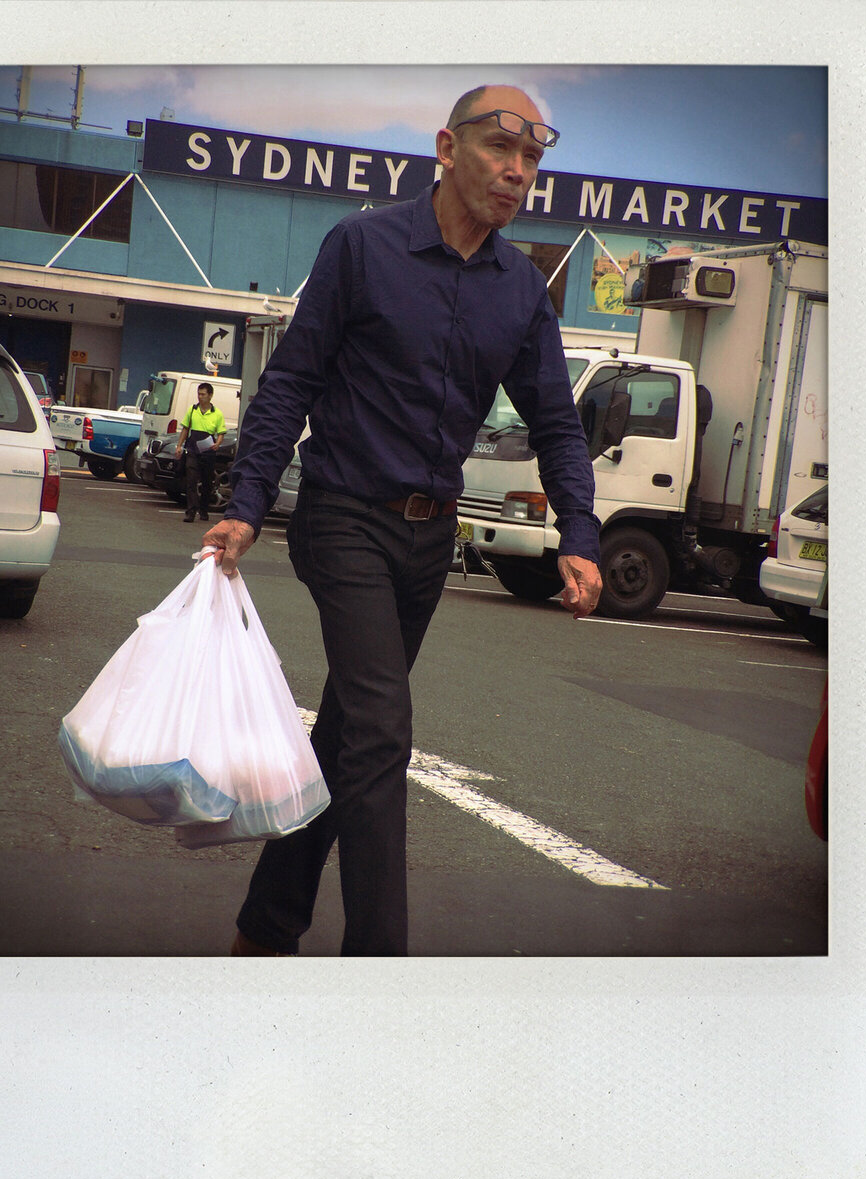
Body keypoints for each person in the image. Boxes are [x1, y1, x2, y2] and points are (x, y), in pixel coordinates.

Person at [203, 84, 603, 956]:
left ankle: (265, 930)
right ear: (447, 149)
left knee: (348, 732)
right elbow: (292, 383)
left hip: (430, 541)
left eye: (532, 158)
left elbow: (556, 423)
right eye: (501, 148)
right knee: (383, 735)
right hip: (344, 518)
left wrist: (580, 533)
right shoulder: (363, 246)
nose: (516, 170)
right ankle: (380, 973)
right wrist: (245, 506)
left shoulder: (521, 292)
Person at [175, 383, 226, 521]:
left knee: (206, 482)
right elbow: (185, 429)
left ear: (210, 395)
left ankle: (203, 509)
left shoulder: (217, 413)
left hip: (208, 450)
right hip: (192, 448)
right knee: (191, 480)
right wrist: (179, 446)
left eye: (203, 394)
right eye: (199, 394)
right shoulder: (192, 410)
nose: (200, 396)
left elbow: (221, 432)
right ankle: (191, 512)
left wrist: (217, 444)